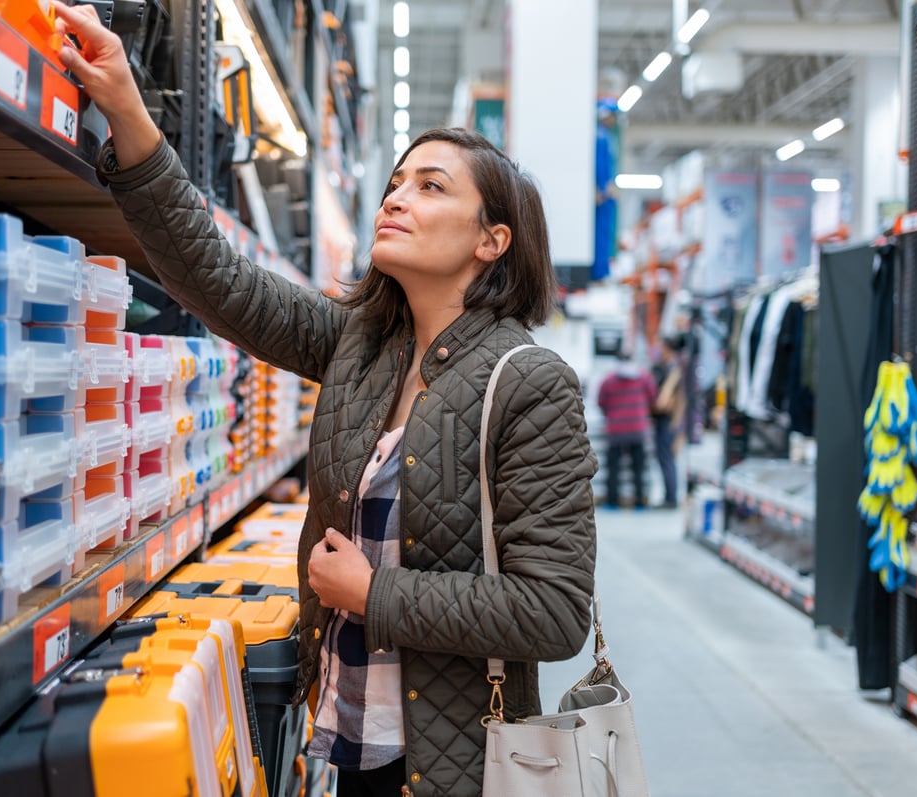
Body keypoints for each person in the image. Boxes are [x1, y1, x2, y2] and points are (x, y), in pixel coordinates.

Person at [51, 5, 598, 795]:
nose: (394, 199)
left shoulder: (529, 383)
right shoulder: (364, 347)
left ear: (492, 240)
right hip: (347, 741)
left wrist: (377, 595)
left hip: (455, 769)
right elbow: (222, 283)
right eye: (394, 184)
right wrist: (129, 113)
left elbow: (553, 611)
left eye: (430, 186)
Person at [597, 349, 656, 509]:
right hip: (637, 429)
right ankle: (639, 503)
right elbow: (652, 398)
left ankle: (612, 501)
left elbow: (601, 402)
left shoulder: (608, 380)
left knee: (613, 469)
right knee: (638, 469)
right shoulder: (644, 377)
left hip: (615, 430)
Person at [651, 337, 686, 509]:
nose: (658, 351)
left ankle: (671, 498)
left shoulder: (673, 370)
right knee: (666, 459)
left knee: (667, 459)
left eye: (660, 348)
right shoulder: (664, 368)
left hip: (668, 422)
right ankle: (669, 496)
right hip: (664, 421)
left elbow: (664, 402)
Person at [593, 99, 620, 283]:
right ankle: (599, 271)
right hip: (602, 195)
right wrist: (602, 188)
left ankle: (602, 269)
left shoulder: (605, 137)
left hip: (605, 193)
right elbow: (600, 166)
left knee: (604, 233)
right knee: (601, 233)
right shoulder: (601, 137)